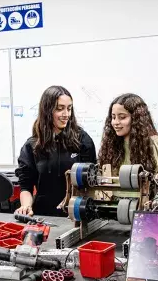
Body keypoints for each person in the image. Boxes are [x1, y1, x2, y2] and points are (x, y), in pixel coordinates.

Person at [15, 85, 97, 217]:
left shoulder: (82, 140)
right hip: (43, 215)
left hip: (76, 214)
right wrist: (26, 206)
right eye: (60, 109)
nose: (66, 114)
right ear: (47, 110)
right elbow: (26, 186)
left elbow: (91, 183)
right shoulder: (32, 146)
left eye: (69, 109)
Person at [98, 93, 158, 198]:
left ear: (136, 118)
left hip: (148, 206)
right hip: (115, 207)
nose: (115, 122)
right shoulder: (110, 145)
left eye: (122, 117)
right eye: (113, 117)